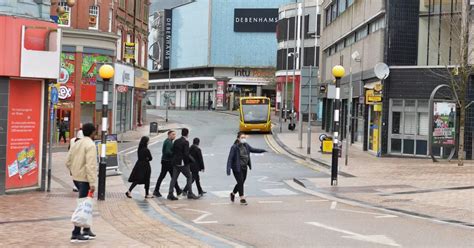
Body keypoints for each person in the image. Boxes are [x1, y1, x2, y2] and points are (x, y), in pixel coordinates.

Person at [66, 123, 97, 242]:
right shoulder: (90, 145)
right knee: (83, 204)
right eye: (95, 131)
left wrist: (74, 171)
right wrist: (92, 182)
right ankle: (76, 232)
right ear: (92, 132)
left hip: (77, 178)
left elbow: (67, 161)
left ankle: (86, 229)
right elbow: (90, 165)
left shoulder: (76, 142)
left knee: (87, 204)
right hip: (85, 179)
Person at [227, 132, 267, 205]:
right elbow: (230, 158)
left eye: (244, 137)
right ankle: (242, 198)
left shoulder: (246, 145)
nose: (244, 139)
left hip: (244, 167)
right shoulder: (234, 147)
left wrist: (262, 150)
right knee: (240, 181)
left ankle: (233, 193)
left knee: (241, 182)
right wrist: (228, 169)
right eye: (242, 137)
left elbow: (253, 149)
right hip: (237, 168)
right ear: (238, 138)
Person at [167, 128, 199, 200]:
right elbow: (186, 154)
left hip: (176, 163)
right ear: (187, 134)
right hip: (183, 163)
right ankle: (190, 193)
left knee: (174, 178)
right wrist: (190, 161)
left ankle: (170, 193)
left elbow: (173, 151)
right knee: (189, 177)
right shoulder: (186, 142)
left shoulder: (176, 141)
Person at [153, 131, 182, 197]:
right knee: (172, 176)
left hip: (165, 161)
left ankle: (178, 190)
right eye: (173, 134)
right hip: (167, 162)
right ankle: (156, 190)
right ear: (169, 135)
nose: (174, 136)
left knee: (168, 176)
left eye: (175, 134)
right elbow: (167, 152)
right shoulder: (168, 142)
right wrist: (174, 154)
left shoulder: (169, 141)